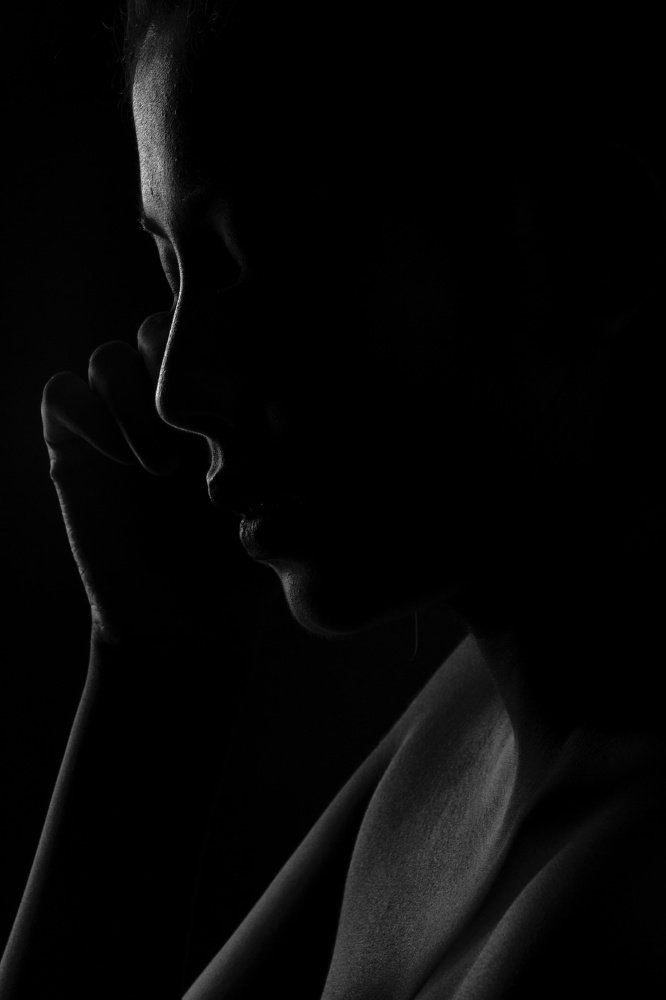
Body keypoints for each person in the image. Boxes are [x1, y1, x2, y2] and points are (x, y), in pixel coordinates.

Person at [1, 2, 666, 996]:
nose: (178, 387)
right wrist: (152, 667)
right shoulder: (481, 726)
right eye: (173, 268)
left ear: (588, 241)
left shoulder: (624, 912)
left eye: (261, 260)